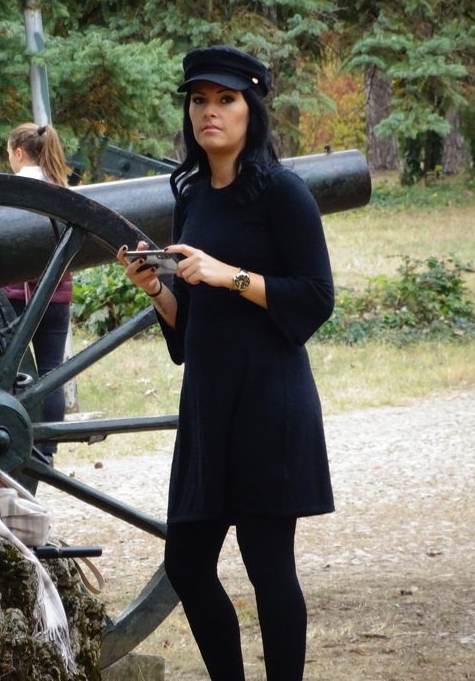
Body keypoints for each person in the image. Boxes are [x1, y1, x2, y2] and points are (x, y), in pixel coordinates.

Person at [118, 46, 335, 680]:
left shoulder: (283, 193)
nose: (209, 112)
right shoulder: (191, 196)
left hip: (270, 399)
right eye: (199, 100)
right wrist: (157, 290)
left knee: (269, 567)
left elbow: (316, 297)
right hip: (209, 403)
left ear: (251, 110)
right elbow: (192, 327)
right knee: (187, 563)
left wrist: (228, 274)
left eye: (225, 100)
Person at [2, 123, 73, 463]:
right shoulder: (61, 189)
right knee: (51, 373)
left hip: (17, 297)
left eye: (8, 153)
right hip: (57, 297)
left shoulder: (9, 191)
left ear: (18, 152)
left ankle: (15, 441)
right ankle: (48, 449)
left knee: (9, 374)